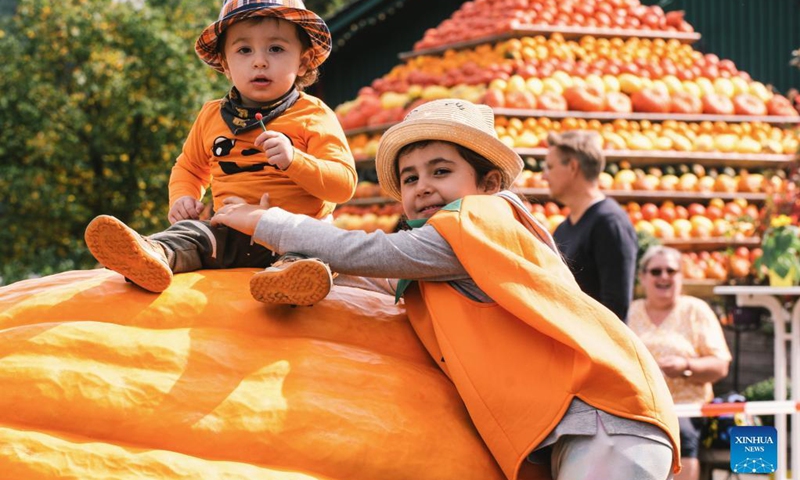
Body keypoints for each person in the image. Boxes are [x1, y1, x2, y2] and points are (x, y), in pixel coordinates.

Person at [211, 99, 681, 480]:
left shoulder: (481, 219)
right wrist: (289, 258)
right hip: (578, 424)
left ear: (488, 183)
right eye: (411, 178)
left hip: (603, 415)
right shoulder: (443, 259)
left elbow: (369, 254)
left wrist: (267, 223)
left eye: (440, 171)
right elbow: (374, 276)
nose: (422, 187)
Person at [84, 0, 356, 306]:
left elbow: (343, 185)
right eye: (244, 50)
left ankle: (290, 281)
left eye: (276, 49)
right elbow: (188, 167)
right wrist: (184, 198)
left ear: (304, 62)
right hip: (230, 232)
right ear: (225, 64)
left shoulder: (313, 115)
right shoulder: (212, 116)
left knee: (316, 251)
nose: (260, 62)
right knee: (192, 234)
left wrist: (295, 160)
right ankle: (152, 255)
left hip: (296, 233)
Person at [629, 246, 732, 480]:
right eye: (656, 271)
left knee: (680, 431)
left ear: (681, 276)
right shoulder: (630, 312)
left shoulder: (696, 310)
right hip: (638, 405)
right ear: (643, 277)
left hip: (687, 406)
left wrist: (686, 366)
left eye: (671, 271)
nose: (664, 276)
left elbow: (720, 365)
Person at [544, 130, 637, 321]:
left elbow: (615, 308)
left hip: (597, 348)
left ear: (572, 167)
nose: (544, 176)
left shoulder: (609, 223)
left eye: (550, 167)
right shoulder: (563, 228)